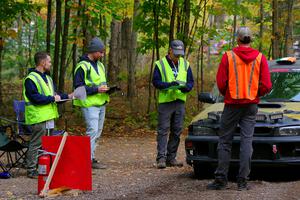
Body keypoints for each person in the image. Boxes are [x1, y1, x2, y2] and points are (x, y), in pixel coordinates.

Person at [207, 26, 272, 190]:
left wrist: (228, 93)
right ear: (251, 39)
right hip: (250, 106)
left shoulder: (228, 56)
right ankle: (243, 182)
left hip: (232, 105)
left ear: (237, 39)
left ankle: (221, 179)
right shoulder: (260, 58)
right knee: (246, 143)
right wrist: (255, 93)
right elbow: (267, 85)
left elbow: (221, 83)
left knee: (224, 142)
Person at [24, 52, 73, 178]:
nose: (50, 64)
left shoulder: (48, 78)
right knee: (36, 144)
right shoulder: (31, 79)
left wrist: (68, 96)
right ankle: (31, 170)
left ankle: (43, 168)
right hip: (38, 117)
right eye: (49, 61)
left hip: (49, 116)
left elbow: (55, 95)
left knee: (47, 144)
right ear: (42, 62)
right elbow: (35, 98)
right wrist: (52, 98)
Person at [152, 40, 194, 169]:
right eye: (176, 53)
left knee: (177, 131)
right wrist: (169, 85)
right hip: (165, 102)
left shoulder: (186, 64)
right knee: (163, 130)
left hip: (180, 101)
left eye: (180, 54)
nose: (178, 56)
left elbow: (190, 82)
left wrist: (185, 88)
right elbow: (156, 82)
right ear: (170, 50)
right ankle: (161, 158)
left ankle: (171, 157)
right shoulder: (160, 64)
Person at [73, 37, 109, 169]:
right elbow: (78, 88)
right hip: (89, 104)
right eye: (100, 52)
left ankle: (91, 158)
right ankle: (86, 160)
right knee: (92, 131)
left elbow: (101, 83)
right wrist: (97, 89)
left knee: (97, 132)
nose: (102, 54)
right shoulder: (82, 66)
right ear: (93, 51)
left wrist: (107, 89)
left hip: (101, 102)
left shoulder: (100, 65)